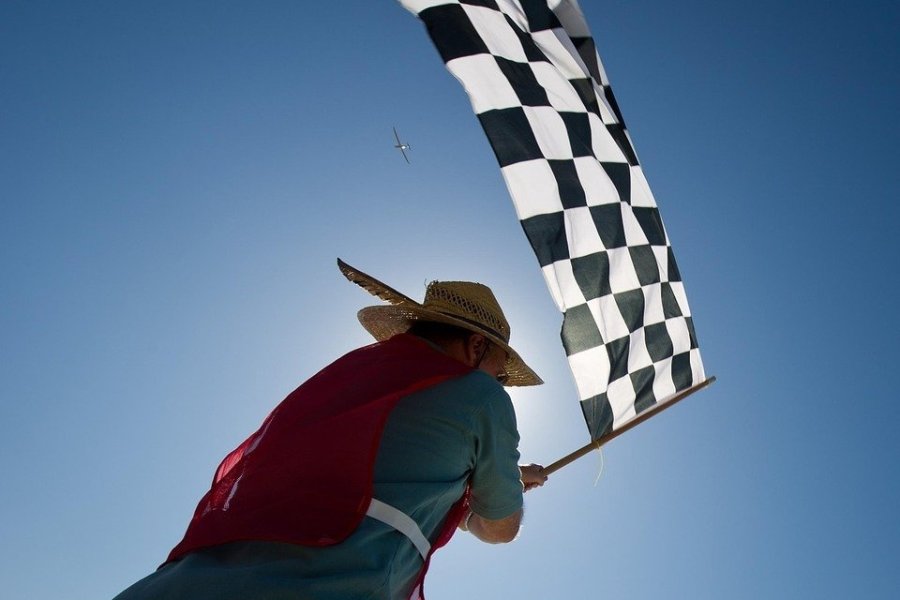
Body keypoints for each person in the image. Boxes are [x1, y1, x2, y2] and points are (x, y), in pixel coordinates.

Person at [114, 259, 547, 600]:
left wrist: (481, 484)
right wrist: (500, 490)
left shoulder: (351, 373)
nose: (500, 381)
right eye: (500, 372)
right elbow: (499, 528)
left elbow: (390, 471)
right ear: (476, 346)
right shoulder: (479, 394)